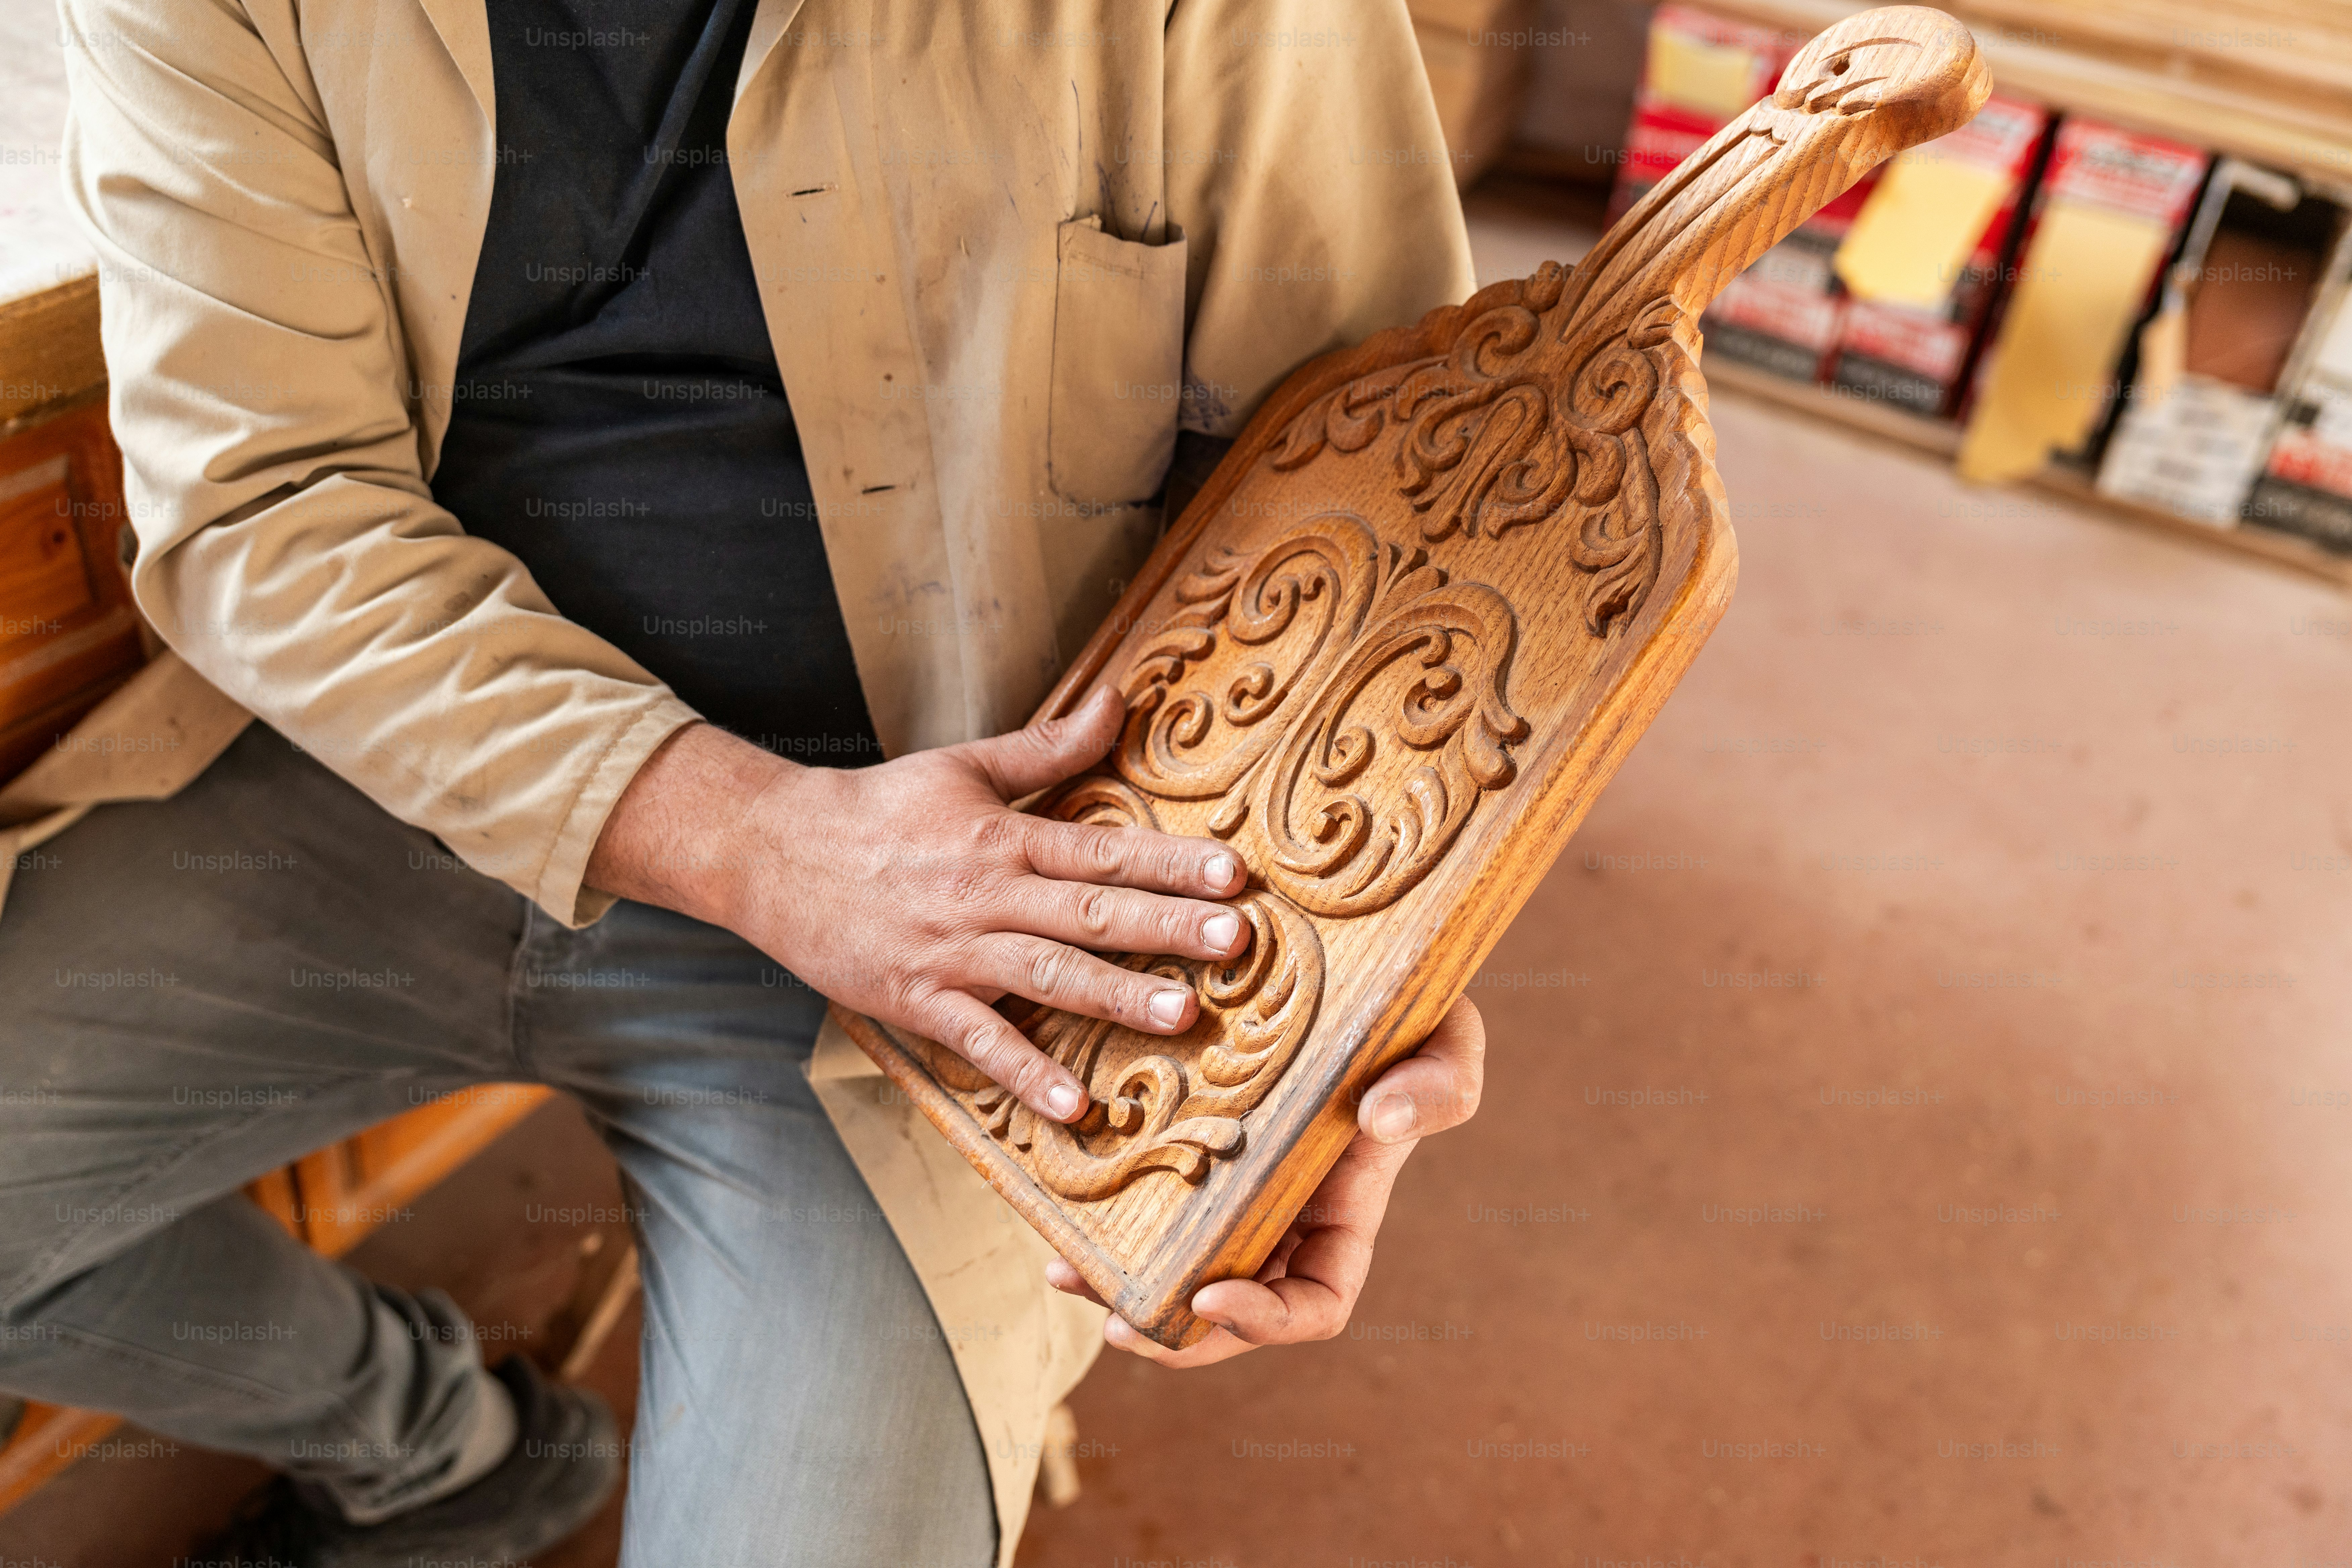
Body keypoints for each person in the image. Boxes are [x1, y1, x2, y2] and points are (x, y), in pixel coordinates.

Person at [0, 0, 1486, 1563]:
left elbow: (1390, 501)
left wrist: (1358, 955)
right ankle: (445, 1451)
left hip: (954, 873)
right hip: (387, 782)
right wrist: (756, 842)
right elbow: (270, 504)